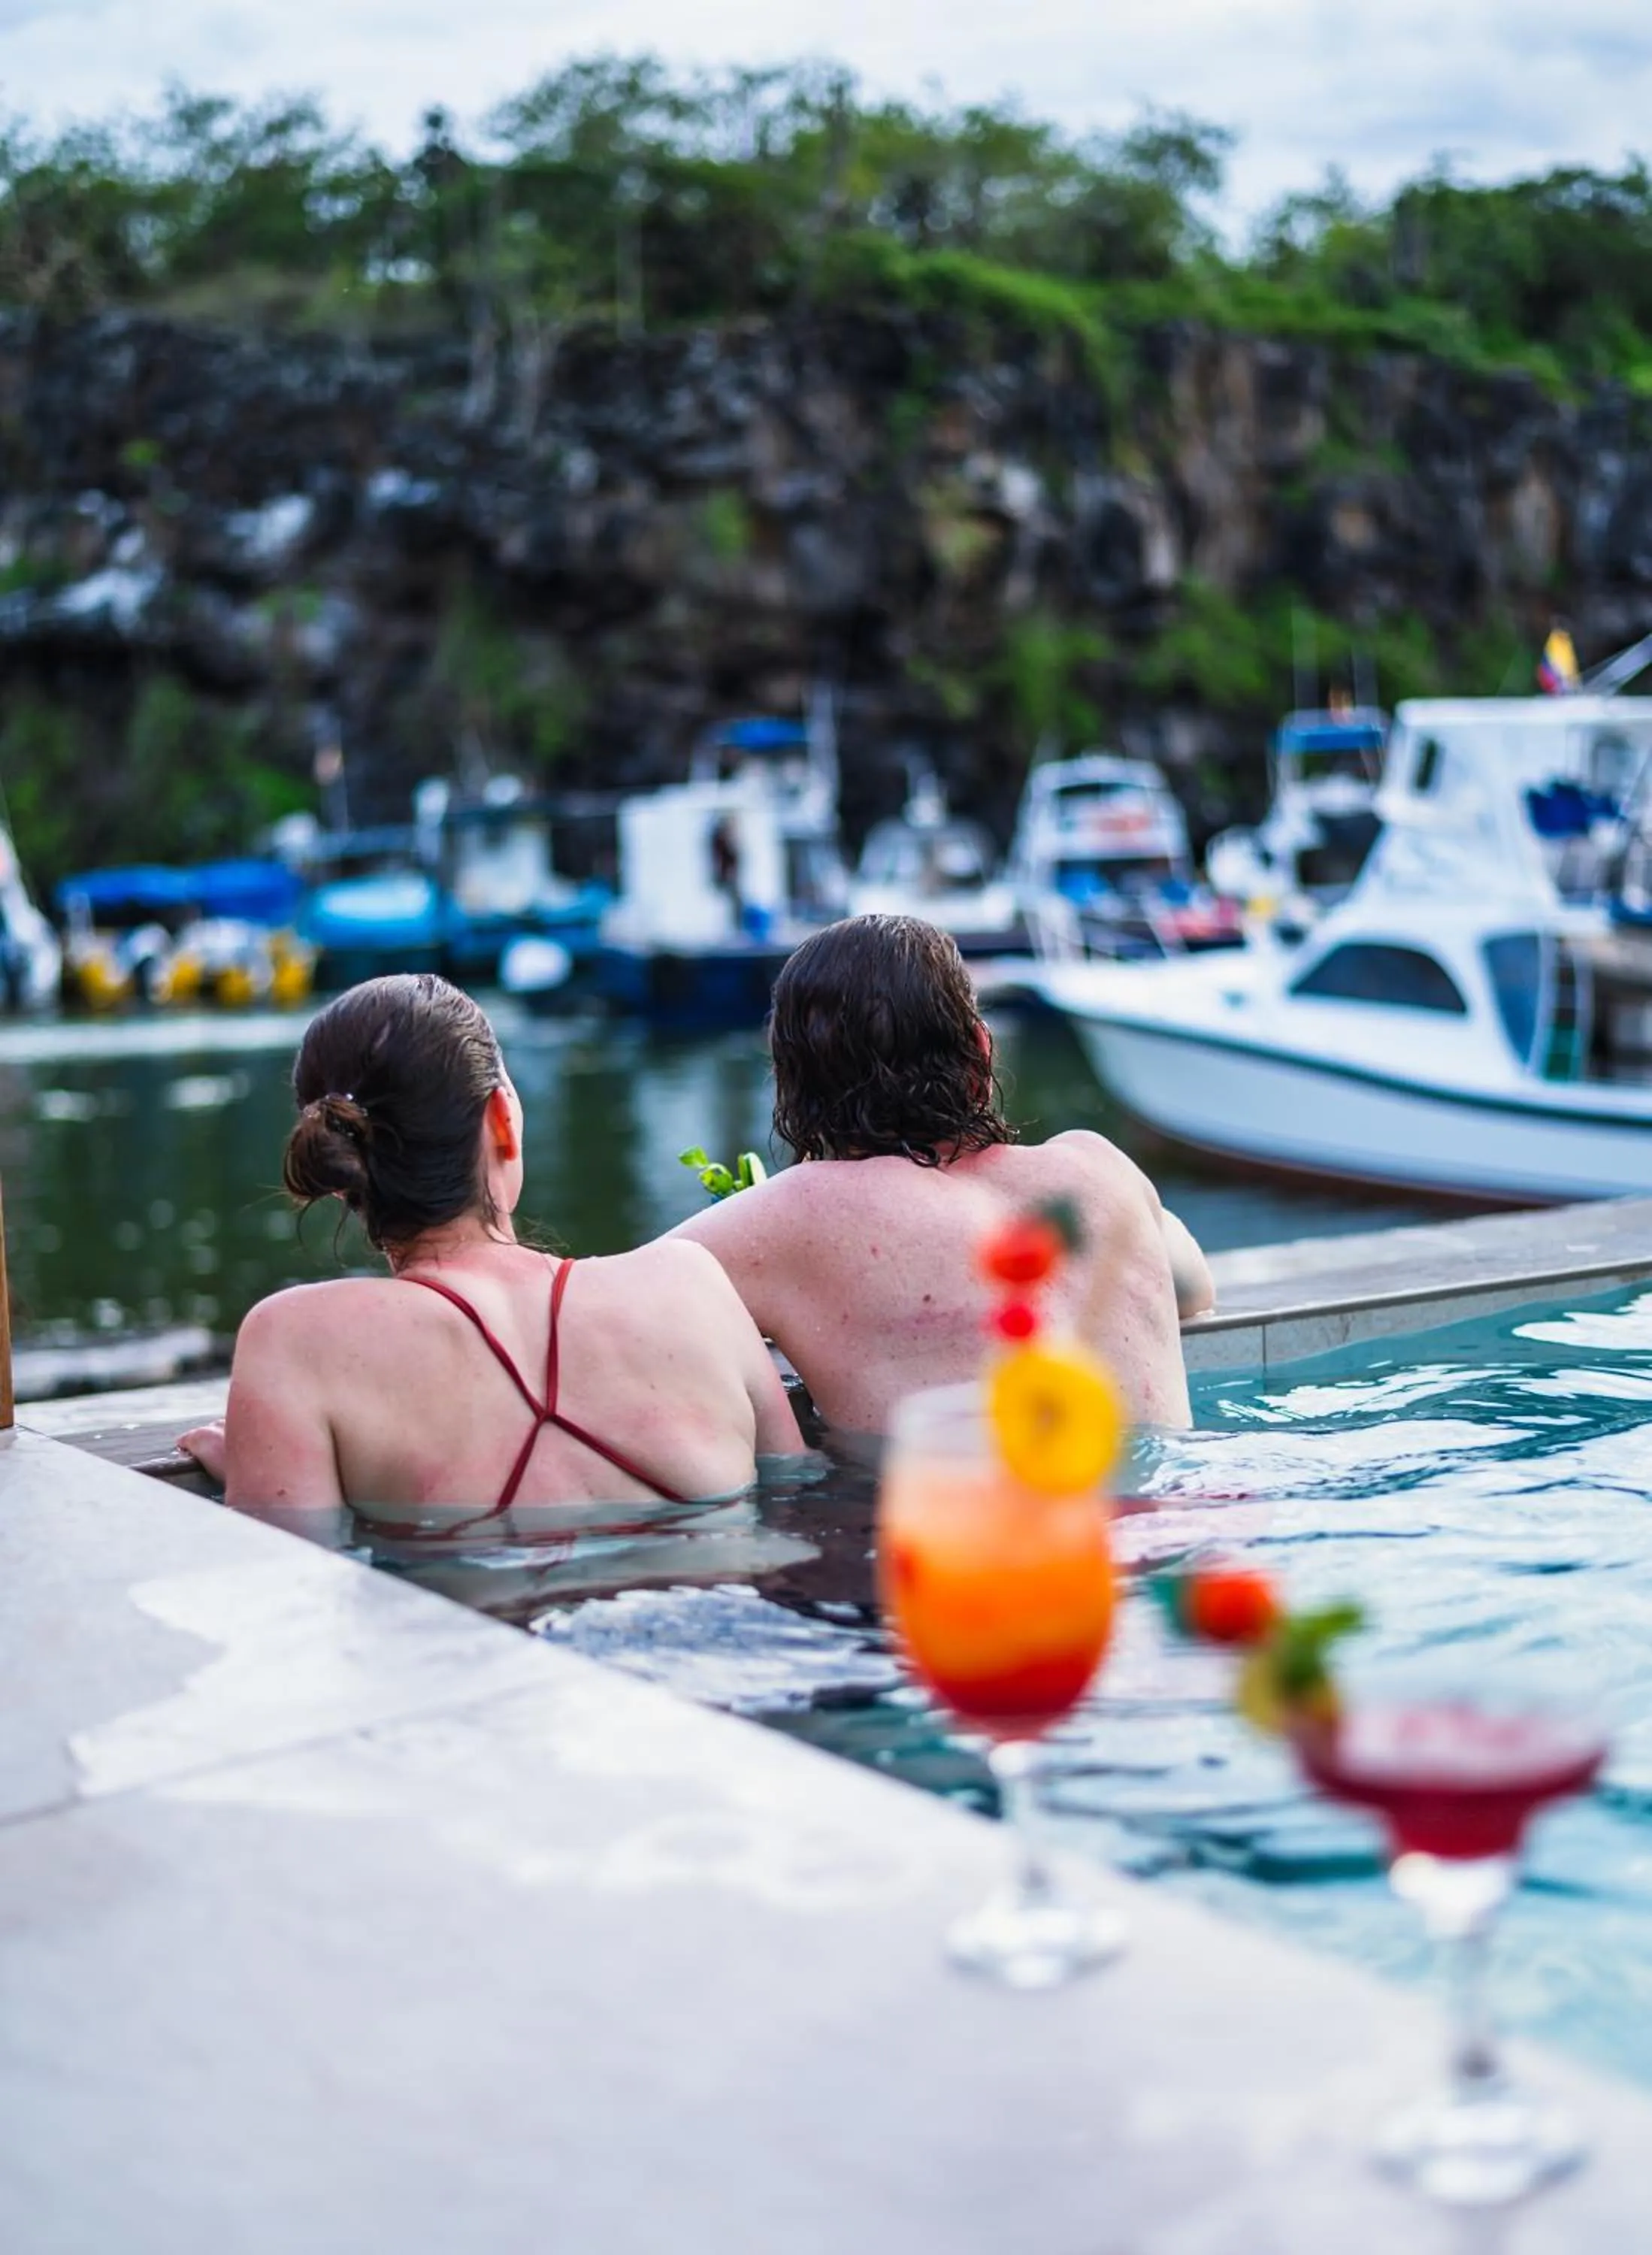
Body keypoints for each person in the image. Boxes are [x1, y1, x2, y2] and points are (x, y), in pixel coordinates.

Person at [180, 973, 803, 1517]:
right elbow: (797, 1500)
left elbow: (297, 1589)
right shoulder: (690, 1282)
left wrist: (266, 1477)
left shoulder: (298, 1344)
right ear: (503, 1119)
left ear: (342, 1175)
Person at [669, 915, 1214, 1433]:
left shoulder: (798, 1212)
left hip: (985, 1528)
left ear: (791, 1084)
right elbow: (1192, 1289)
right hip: (1185, 1515)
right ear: (982, 1048)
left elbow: (602, 1308)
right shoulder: (1099, 1168)